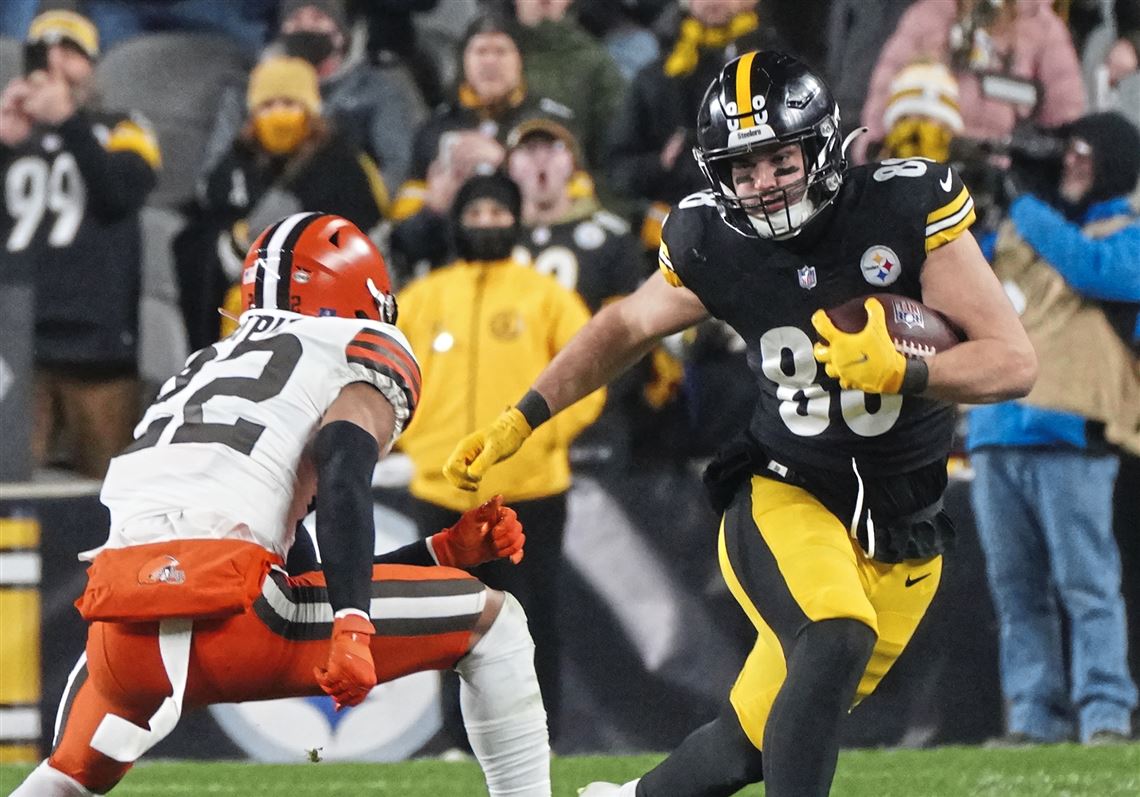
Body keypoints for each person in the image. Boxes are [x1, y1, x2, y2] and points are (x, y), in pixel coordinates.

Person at [445, 51, 1037, 796]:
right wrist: (524, 415)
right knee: (832, 634)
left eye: (779, 159)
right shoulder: (710, 238)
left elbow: (1014, 362)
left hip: (905, 522)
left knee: (750, 741)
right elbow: (625, 326)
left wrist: (910, 371)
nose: (762, 183)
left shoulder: (901, 207)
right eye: (743, 168)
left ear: (819, 145)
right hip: (788, 490)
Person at [9, 213, 550, 797]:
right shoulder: (358, 345)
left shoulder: (202, 366)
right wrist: (352, 625)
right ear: (361, 292)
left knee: (68, 776)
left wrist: (439, 550)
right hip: (236, 619)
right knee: (496, 621)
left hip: (120, 627)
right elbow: (344, 467)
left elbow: (303, 564)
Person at [396, 172, 605, 749]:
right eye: (476, 212)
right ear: (457, 222)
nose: (486, 222)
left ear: (516, 221)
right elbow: (389, 381)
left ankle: (542, 739)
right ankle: (457, 745)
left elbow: (590, 378)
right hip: (441, 492)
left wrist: (542, 440)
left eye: (497, 212)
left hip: (529, 491)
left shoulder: (545, 296)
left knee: (531, 620)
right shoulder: (423, 299)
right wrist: (415, 443)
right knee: (444, 624)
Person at [967, 111, 1140, 745]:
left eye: (1083, 151)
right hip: (996, 429)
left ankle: (1105, 715)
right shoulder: (1018, 227)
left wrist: (1027, 202)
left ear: (1115, 162)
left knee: (1086, 584)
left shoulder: (1124, 230)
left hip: (1072, 431)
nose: (1070, 161)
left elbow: (1100, 272)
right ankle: (1034, 716)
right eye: (1064, 151)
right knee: (1016, 593)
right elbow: (961, 279)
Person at [1, 8, 160, 479]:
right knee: (9, 501)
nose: (53, 62)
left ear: (93, 66)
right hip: (15, 346)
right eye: (42, 51)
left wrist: (69, 122)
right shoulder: (11, 133)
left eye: (69, 52)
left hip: (99, 348)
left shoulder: (125, 126)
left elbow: (121, 194)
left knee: (113, 496)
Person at [178, 55, 386, 350]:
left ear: (311, 110)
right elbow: (205, 226)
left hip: (320, 313)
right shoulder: (236, 161)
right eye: (267, 105)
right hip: (239, 311)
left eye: (289, 104)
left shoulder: (344, 165)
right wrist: (231, 247)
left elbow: (365, 238)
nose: (278, 114)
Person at [605, 0, 789, 251]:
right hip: (677, 238)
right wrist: (659, 166)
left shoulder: (778, 68)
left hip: (764, 231)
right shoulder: (656, 78)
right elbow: (616, 171)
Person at [200, 0, 427, 194]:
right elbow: (215, 168)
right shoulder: (246, 90)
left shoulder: (376, 90)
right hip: (258, 213)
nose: (306, 28)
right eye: (296, 20)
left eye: (318, 18)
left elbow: (398, 167)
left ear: (341, 35)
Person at [855, 0, 1086, 163]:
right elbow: (882, 97)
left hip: (1005, 181)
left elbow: (1067, 119)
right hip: (929, 166)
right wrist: (875, 156)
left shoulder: (1042, 28)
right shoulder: (927, 16)